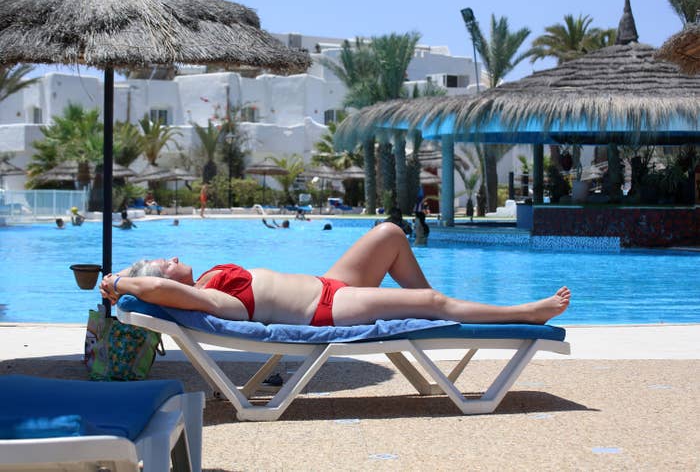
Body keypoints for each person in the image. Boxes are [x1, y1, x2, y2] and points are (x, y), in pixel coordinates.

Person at [99, 222, 570, 327]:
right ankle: (524, 313)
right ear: (167, 278)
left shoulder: (207, 281)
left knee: (389, 233)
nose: (174, 254)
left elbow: (158, 281)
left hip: (329, 282)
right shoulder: (210, 301)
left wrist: (124, 276)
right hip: (325, 309)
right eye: (166, 258)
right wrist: (120, 282)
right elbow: (156, 288)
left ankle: (434, 322)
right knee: (429, 303)